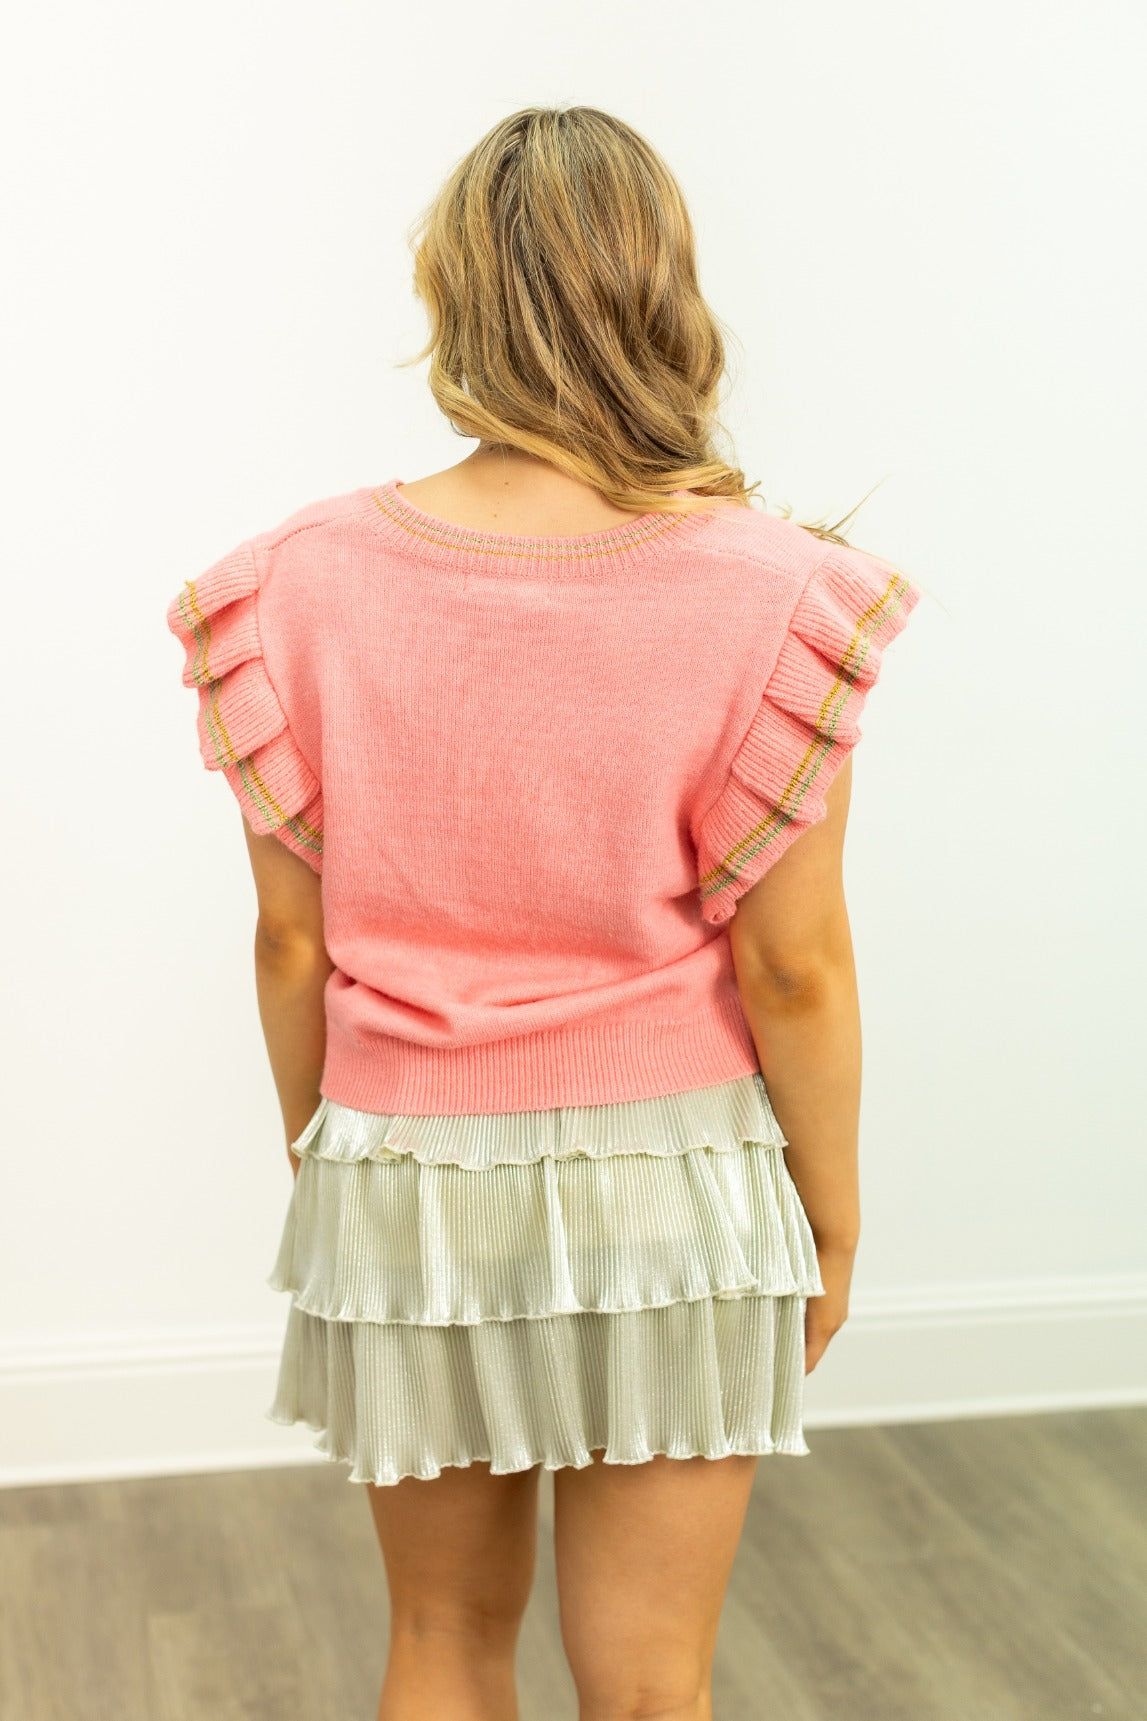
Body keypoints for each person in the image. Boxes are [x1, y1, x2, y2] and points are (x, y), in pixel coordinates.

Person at [166, 105, 922, 1721]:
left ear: (449, 293)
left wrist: (329, 1149)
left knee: (440, 1639)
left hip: (410, 1167)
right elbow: (794, 966)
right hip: (679, 1178)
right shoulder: (771, 589)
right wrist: (836, 1219)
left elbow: (292, 941)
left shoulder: (295, 580)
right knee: (651, 1685)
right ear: (664, 291)